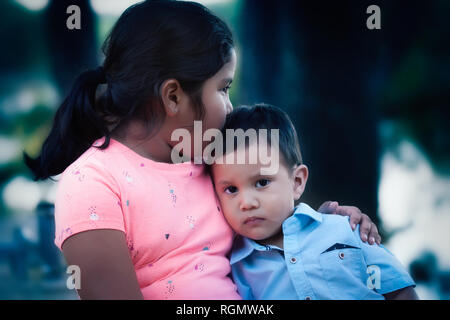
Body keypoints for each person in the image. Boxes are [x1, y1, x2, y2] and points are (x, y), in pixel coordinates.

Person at [24, 0, 380, 299]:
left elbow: (266, 224)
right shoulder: (93, 182)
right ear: (173, 96)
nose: (229, 106)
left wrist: (331, 228)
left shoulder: (208, 159)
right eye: (223, 88)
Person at [210, 104, 418, 300]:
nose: (246, 203)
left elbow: (399, 291)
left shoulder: (346, 229)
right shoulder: (236, 270)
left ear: (297, 182)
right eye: (231, 189)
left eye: (262, 182)